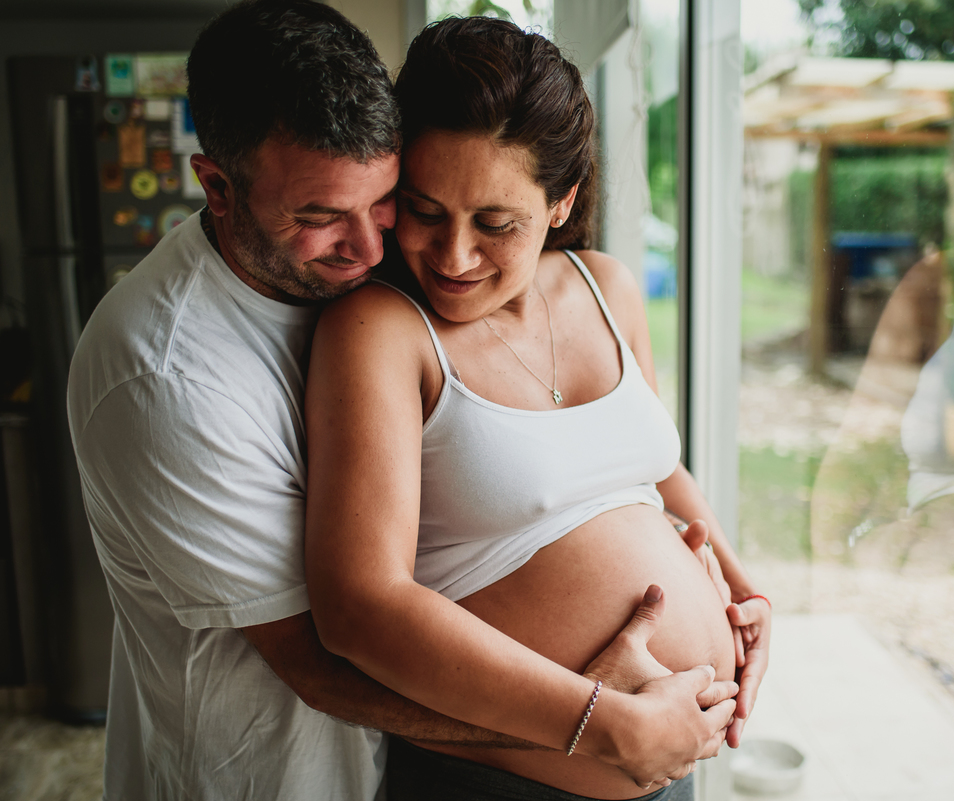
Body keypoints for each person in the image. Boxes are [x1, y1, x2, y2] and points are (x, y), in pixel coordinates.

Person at [65, 3, 738, 799]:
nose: (379, 247)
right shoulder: (168, 378)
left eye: (386, 201)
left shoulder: (559, 283)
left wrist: (733, 590)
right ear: (217, 185)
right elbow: (326, 653)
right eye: (321, 217)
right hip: (276, 773)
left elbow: (638, 474)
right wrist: (599, 719)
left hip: (640, 743)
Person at [304, 16, 772, 801]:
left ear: (562, 201)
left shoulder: (607, 285)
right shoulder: (379, 332)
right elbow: (358, 609)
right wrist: (601, 720)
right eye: (423, 210)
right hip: (497, 782)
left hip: (665, 767)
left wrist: (737, 583)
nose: (453, 256)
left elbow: (655, 465)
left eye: (496, 224)